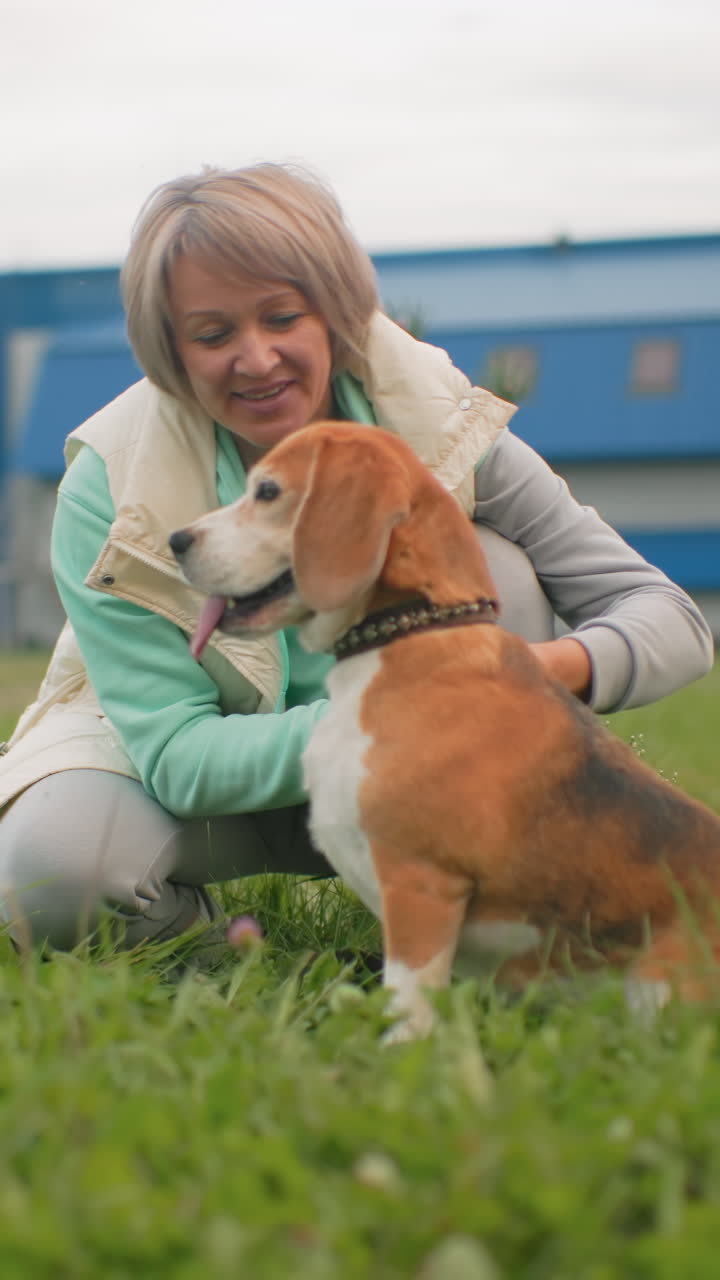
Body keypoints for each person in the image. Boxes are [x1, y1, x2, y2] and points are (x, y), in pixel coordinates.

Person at [0, 163, 713, 954]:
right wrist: (406, 715)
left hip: (434, 778)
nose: (257, 358)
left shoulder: (437, 420)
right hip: (228, 794)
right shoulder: (109, 486)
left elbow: (672, 620)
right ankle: (239, 961)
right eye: (212, 334)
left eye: (282, 317)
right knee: (51, 870)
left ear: (335, 314)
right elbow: (179, 759)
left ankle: (483, 935)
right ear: (168, 349)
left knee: (498, 567)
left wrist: (534, 673)